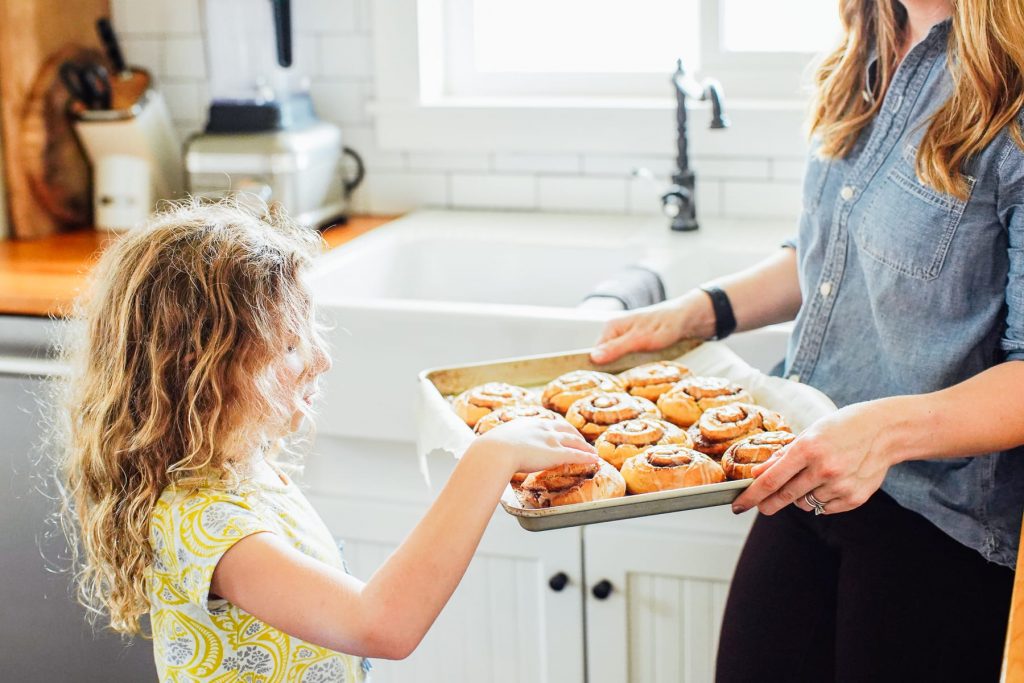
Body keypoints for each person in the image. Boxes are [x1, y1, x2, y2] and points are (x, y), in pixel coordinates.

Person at [592, 0, 1024, 680]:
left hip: (934, 517)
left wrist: (880, 434)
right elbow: (832, 257)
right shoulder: (867, 50)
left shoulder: (1012, 91)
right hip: (804, 467)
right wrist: (701, 310)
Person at [55, 201, 597, 681]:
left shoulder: (240, 466)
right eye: (290, 344)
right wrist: (488, 459)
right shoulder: (205, 524)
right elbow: (381, 625)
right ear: (205, 370)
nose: (321, 358)